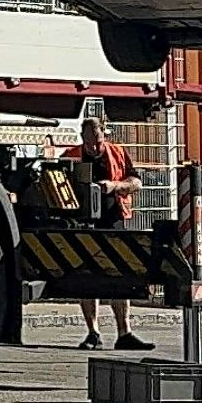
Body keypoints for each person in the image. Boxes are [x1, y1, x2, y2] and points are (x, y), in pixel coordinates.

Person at [71, 118, 152, 351]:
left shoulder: (117, 152)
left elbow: (136, 182)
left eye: (97, 141)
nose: (94, 147)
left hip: (114, 220)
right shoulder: (72, 155)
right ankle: (93, 333)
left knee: (120, 274)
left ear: (103, 135)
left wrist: (115, 186)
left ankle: (124, 332)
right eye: (89, 142)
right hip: (83, 222)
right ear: (82, 138)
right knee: (87, 277)